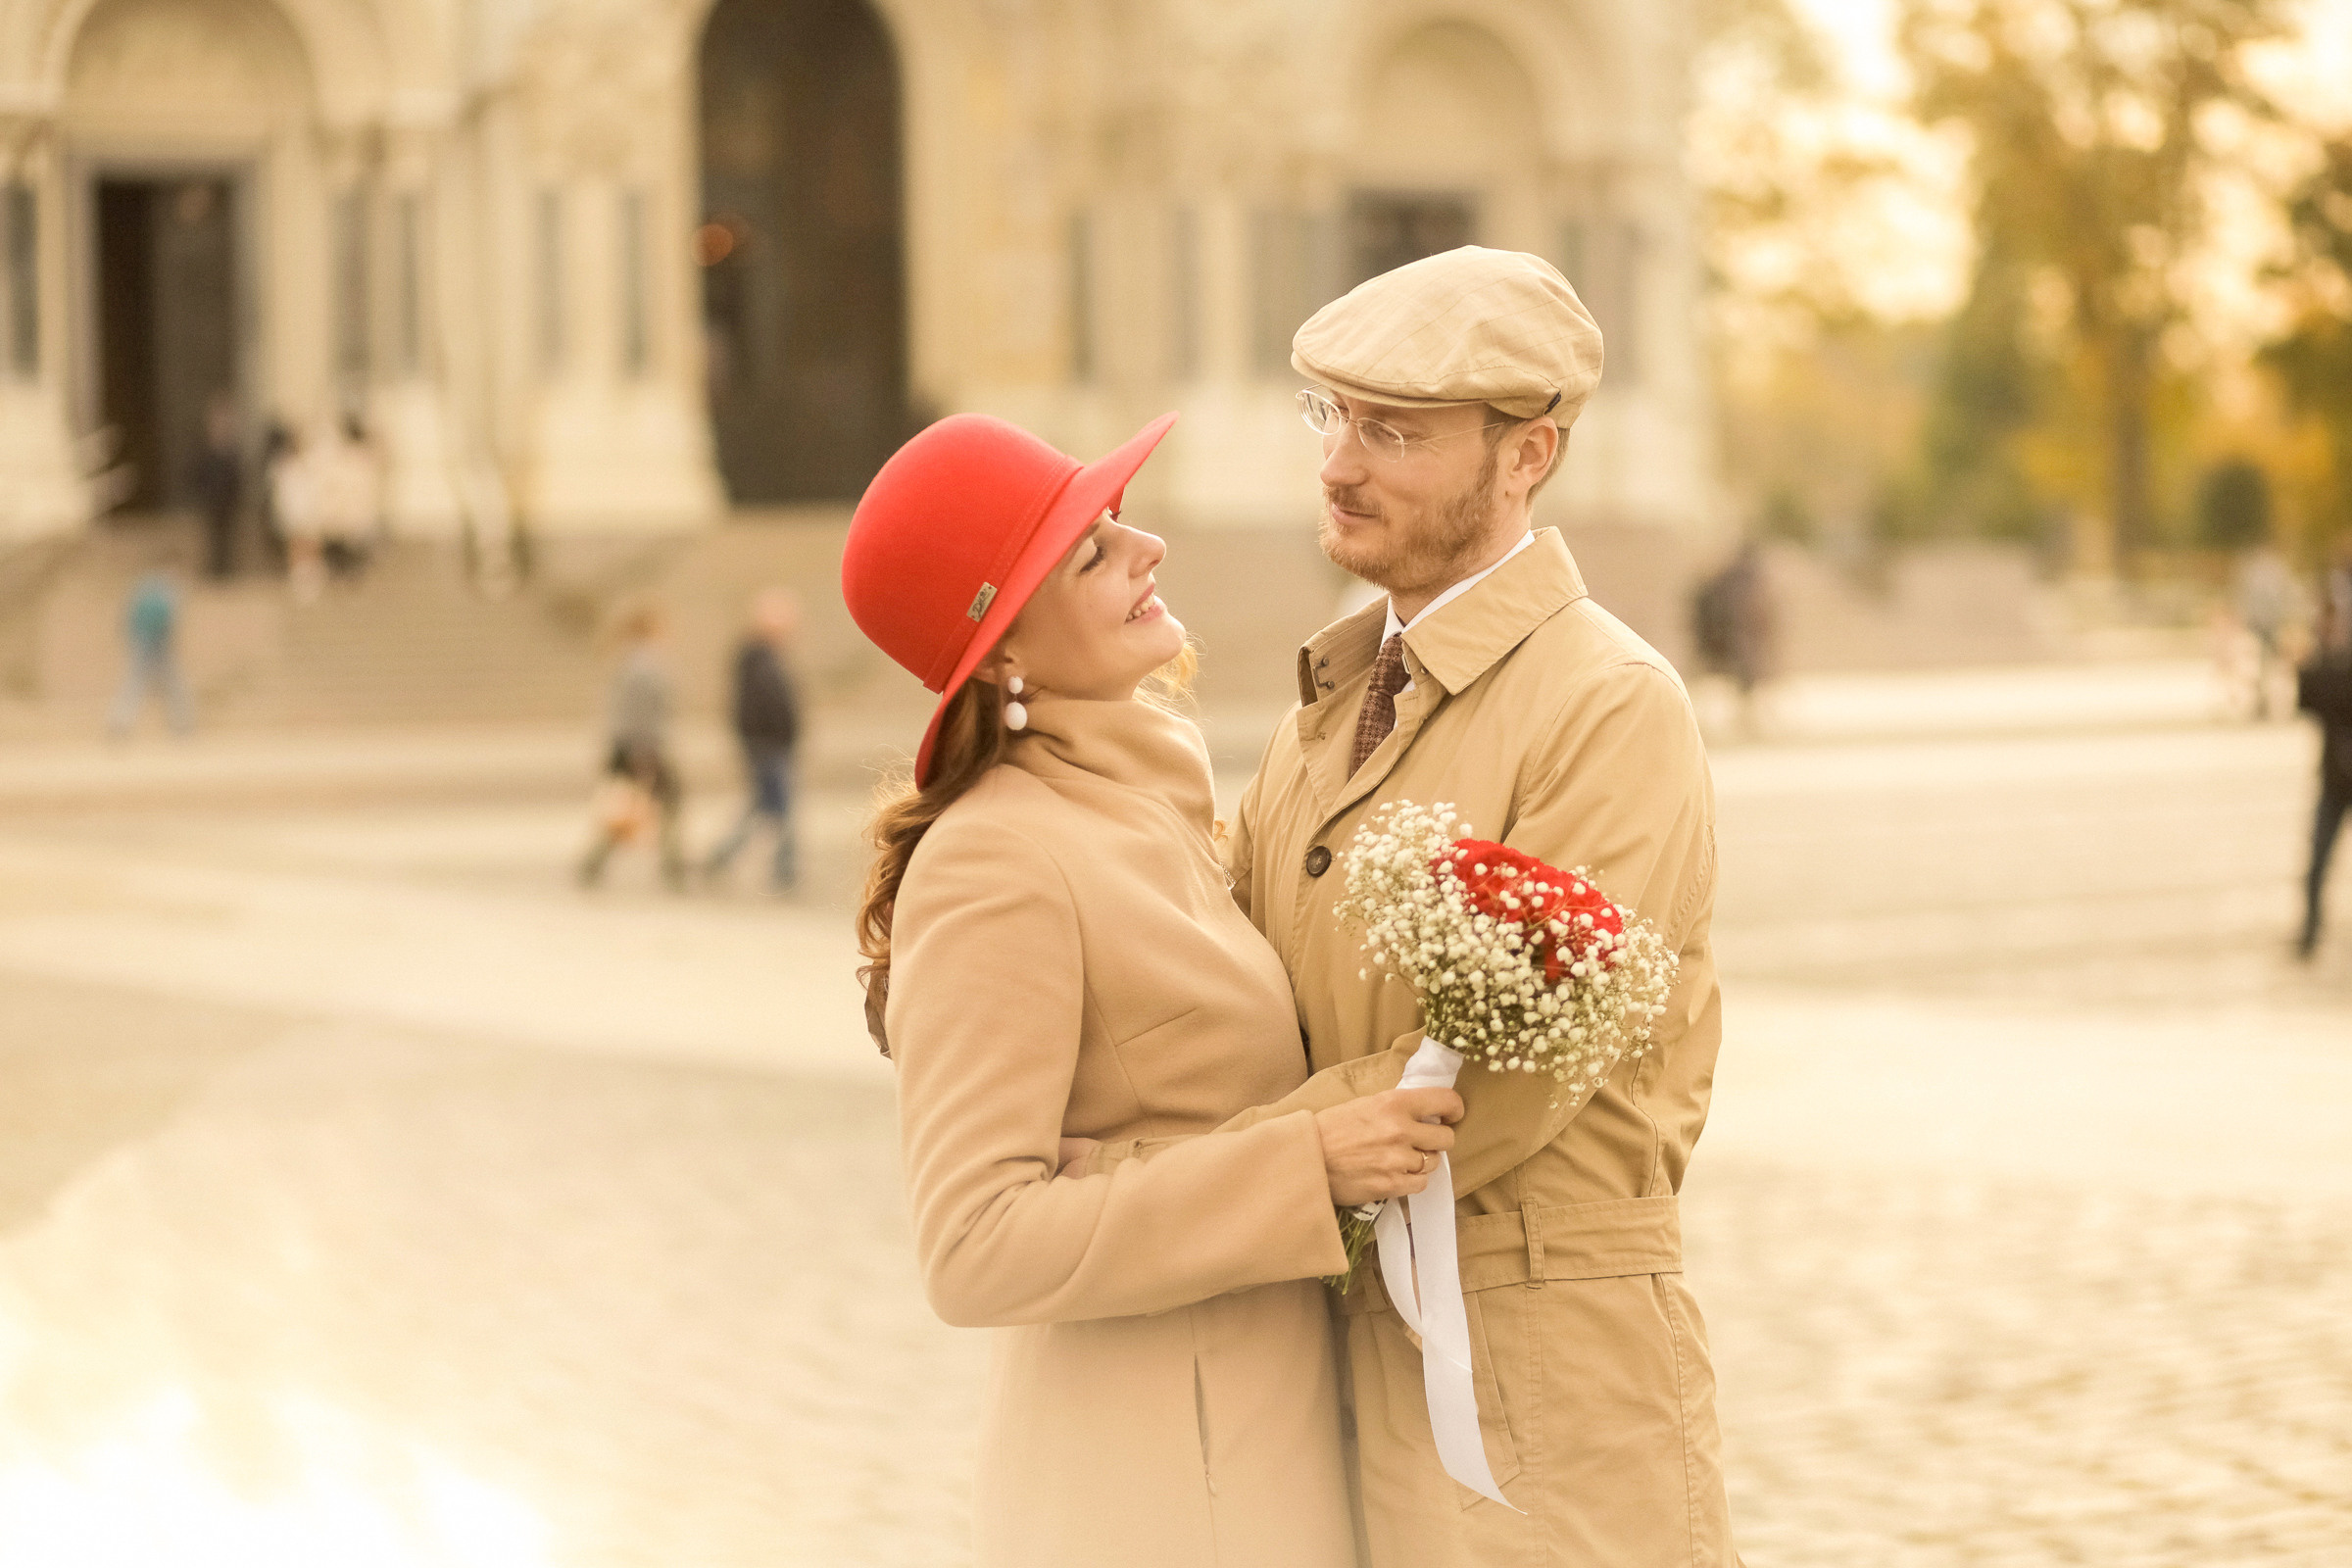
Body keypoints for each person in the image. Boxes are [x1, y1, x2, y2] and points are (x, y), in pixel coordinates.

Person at [1090, 247, 1738, 1564]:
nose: (1339, 464)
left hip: (1543, 1386)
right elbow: (1228, 994)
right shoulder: (1320, 716)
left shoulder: (1608, 703)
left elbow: (1497, 1081)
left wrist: (1183, 1191)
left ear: (1528, 456)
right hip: (1331, 1359)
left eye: (1395, 431)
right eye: (1329, 415)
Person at [842, 412, 1466, 1568]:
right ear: (1007, 653)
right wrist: (1308, 1162)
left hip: (1266, 1437)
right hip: (1157, 1483)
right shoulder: (997, 859)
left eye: (1118, 522)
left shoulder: (1150, 800)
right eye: (1091, 549)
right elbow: (975, 1243)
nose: (1147, 549)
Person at [578, 604, 687, 889]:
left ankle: (595, 862)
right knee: (665, 803)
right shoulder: (643, 665)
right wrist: (644, 752)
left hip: (630, 746)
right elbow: (640, 713)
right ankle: (673, 865)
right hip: (643, 747)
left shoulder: (630, 661)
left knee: (628, 805)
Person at [701, 588, 804, 891]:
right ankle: (784, 870)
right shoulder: (756, 659)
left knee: (763, 807)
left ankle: (723, 856)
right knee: (780, 810)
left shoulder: (765, 658)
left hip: (770, 745)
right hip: (766, 746)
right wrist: (769, 738)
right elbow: (757, 707)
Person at [2296, 550, 2352, 959]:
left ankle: (2310, 932)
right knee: (2316, 860)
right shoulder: (2323, 666)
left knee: (2318, 859)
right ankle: (2310, 931)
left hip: (2337, 775)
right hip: (2335, 776)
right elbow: (2307, 701)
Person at [107, 567, 194, 739]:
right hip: (156, 645)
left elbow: (128, 620)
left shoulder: (143, 591)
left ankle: (120, 723)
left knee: (135, 685)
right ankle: (182, 725)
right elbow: (168, 624)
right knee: (170, 686)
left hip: (142, 645)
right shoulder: (167, 593)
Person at [191, 392, 242, 580]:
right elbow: (198, 474)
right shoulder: (205, 449)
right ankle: (215, 570)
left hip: (226, 500)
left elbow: (236, 477)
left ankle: (225, 569)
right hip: (211, 498)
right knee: (213, 537)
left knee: (226, 537)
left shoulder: (231, 451)